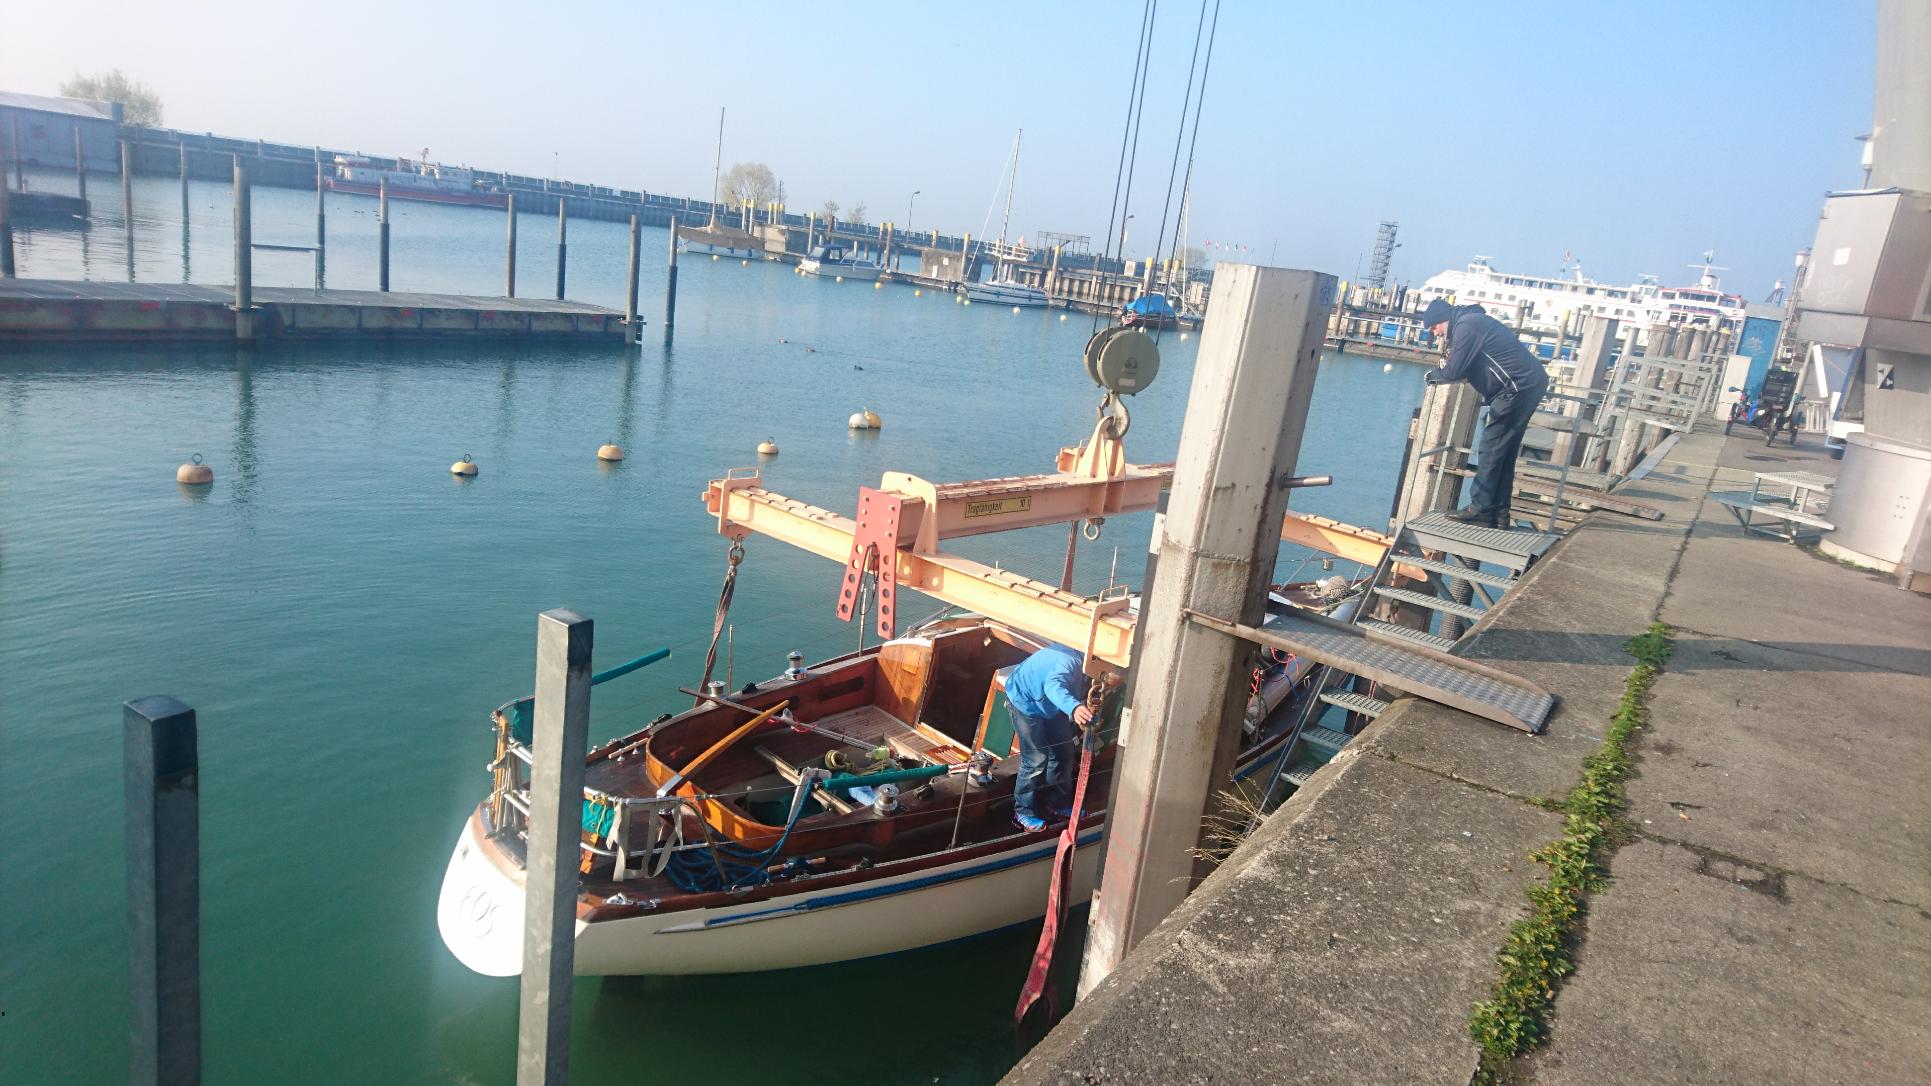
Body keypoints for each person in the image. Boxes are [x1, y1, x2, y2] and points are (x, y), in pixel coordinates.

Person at [1418, 298, 1550, 529]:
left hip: (1517, 387)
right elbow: (1469, 363)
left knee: (1491, 446)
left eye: (1434, 327)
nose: (1434, 333)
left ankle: (1480, 510)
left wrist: (1432, 376)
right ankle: (1499, 513)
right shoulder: (1471, 322)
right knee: (1504, 452)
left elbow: (1453, 371)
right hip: (1526, 384)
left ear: (1443, 319)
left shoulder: (1466, 326)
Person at [1003, 643, 1095, 832]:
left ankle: (1057, 804)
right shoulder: (1070, 662)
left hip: (1049, 704)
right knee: (1035, 759)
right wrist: (1074, 707)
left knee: (1064, 752)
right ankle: (1022, 812)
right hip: (1025, 701)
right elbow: (1053, 686)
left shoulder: (1086, 662)